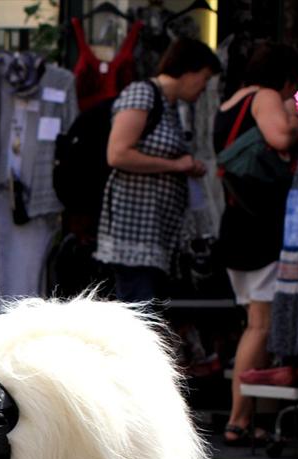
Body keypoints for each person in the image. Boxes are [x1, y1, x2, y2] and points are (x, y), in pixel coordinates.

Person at [213, 43, 298, 445]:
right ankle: (238, 419)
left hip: (238, 219)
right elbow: (280, 137)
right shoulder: (266, 97)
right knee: (260, 325)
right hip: (259, 226)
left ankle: (252, 416)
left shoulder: (229, 101)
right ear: (284, 78)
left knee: (254, 321)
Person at [94, 38, 223, 304]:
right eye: (204, 77)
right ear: (189, 70)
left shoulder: (172, 106)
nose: (204, 87)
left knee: (148, 310)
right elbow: (117, 153)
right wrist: (176, 165)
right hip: (134, 232)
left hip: (157, 234)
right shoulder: (143, 94)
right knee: (138, 311)